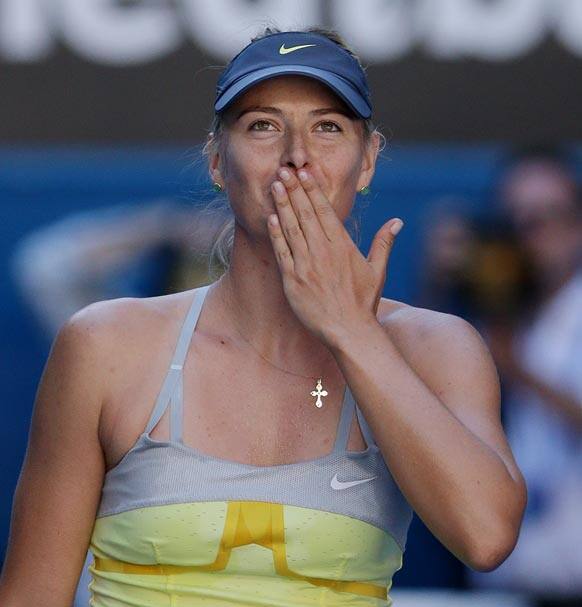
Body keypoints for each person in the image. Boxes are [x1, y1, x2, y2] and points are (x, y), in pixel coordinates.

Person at [0, 27, 526, 607]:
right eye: (263, 126)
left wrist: (351, 332)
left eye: (327, 126)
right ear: (217, 161)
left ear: (369, 158)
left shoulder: (435, 346)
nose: (297, 156)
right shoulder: (107, 345)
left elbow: (487, 536)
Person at [468, 146, 582, 598]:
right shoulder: (501, 311)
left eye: (548, 216)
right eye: (517, 221)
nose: (533, 234)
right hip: (511, 573)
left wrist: (517, 369)